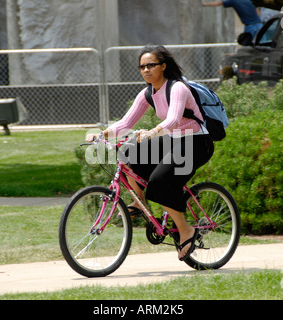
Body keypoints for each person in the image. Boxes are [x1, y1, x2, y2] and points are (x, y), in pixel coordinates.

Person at [86, 45, 214, 261]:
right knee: (127, 156)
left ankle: (186, 230)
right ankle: (140, 204)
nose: (146, 70)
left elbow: (173, 119)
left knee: (160, 181)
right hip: (173, 140)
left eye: (151, 65)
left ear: (163, 66)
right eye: (142, 66)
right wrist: (102, 135)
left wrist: (153, 131)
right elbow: (126, 123)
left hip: (196, 142)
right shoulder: (148, 93)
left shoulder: (177, 88)